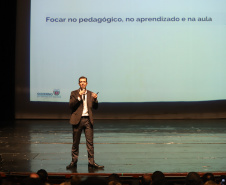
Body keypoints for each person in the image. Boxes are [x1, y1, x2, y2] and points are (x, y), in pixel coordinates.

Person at [66, 76, 104, 169]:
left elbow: (95, 107)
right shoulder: (74, 93)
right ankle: (73, 162)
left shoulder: (91, 94)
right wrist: (79, 96)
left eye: (84, 82)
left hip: (88, 120)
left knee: (90, 143)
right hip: (77, 120)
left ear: (87, 83)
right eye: (81, 82)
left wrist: (95, 99)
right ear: (79, 83)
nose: (82, 83)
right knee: (75, 143)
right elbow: (71, 105)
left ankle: (91, 162)